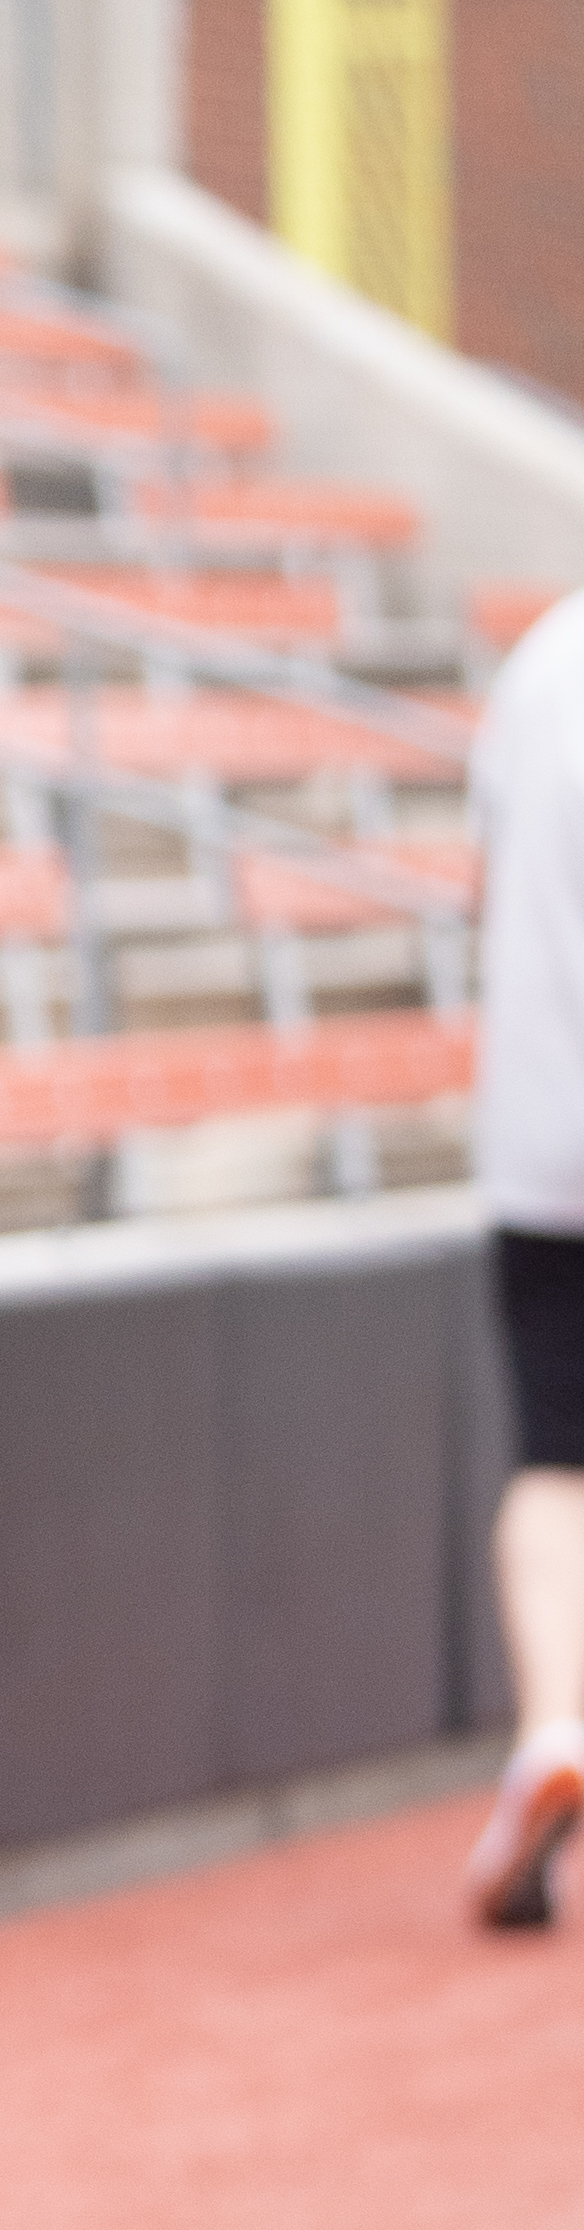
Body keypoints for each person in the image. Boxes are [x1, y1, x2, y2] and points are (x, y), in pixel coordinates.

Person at [464, 575, 584, 1929]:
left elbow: (477, 894)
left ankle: (552, 1727)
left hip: (548, 1141)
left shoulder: (540, 668)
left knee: (559, 1460)